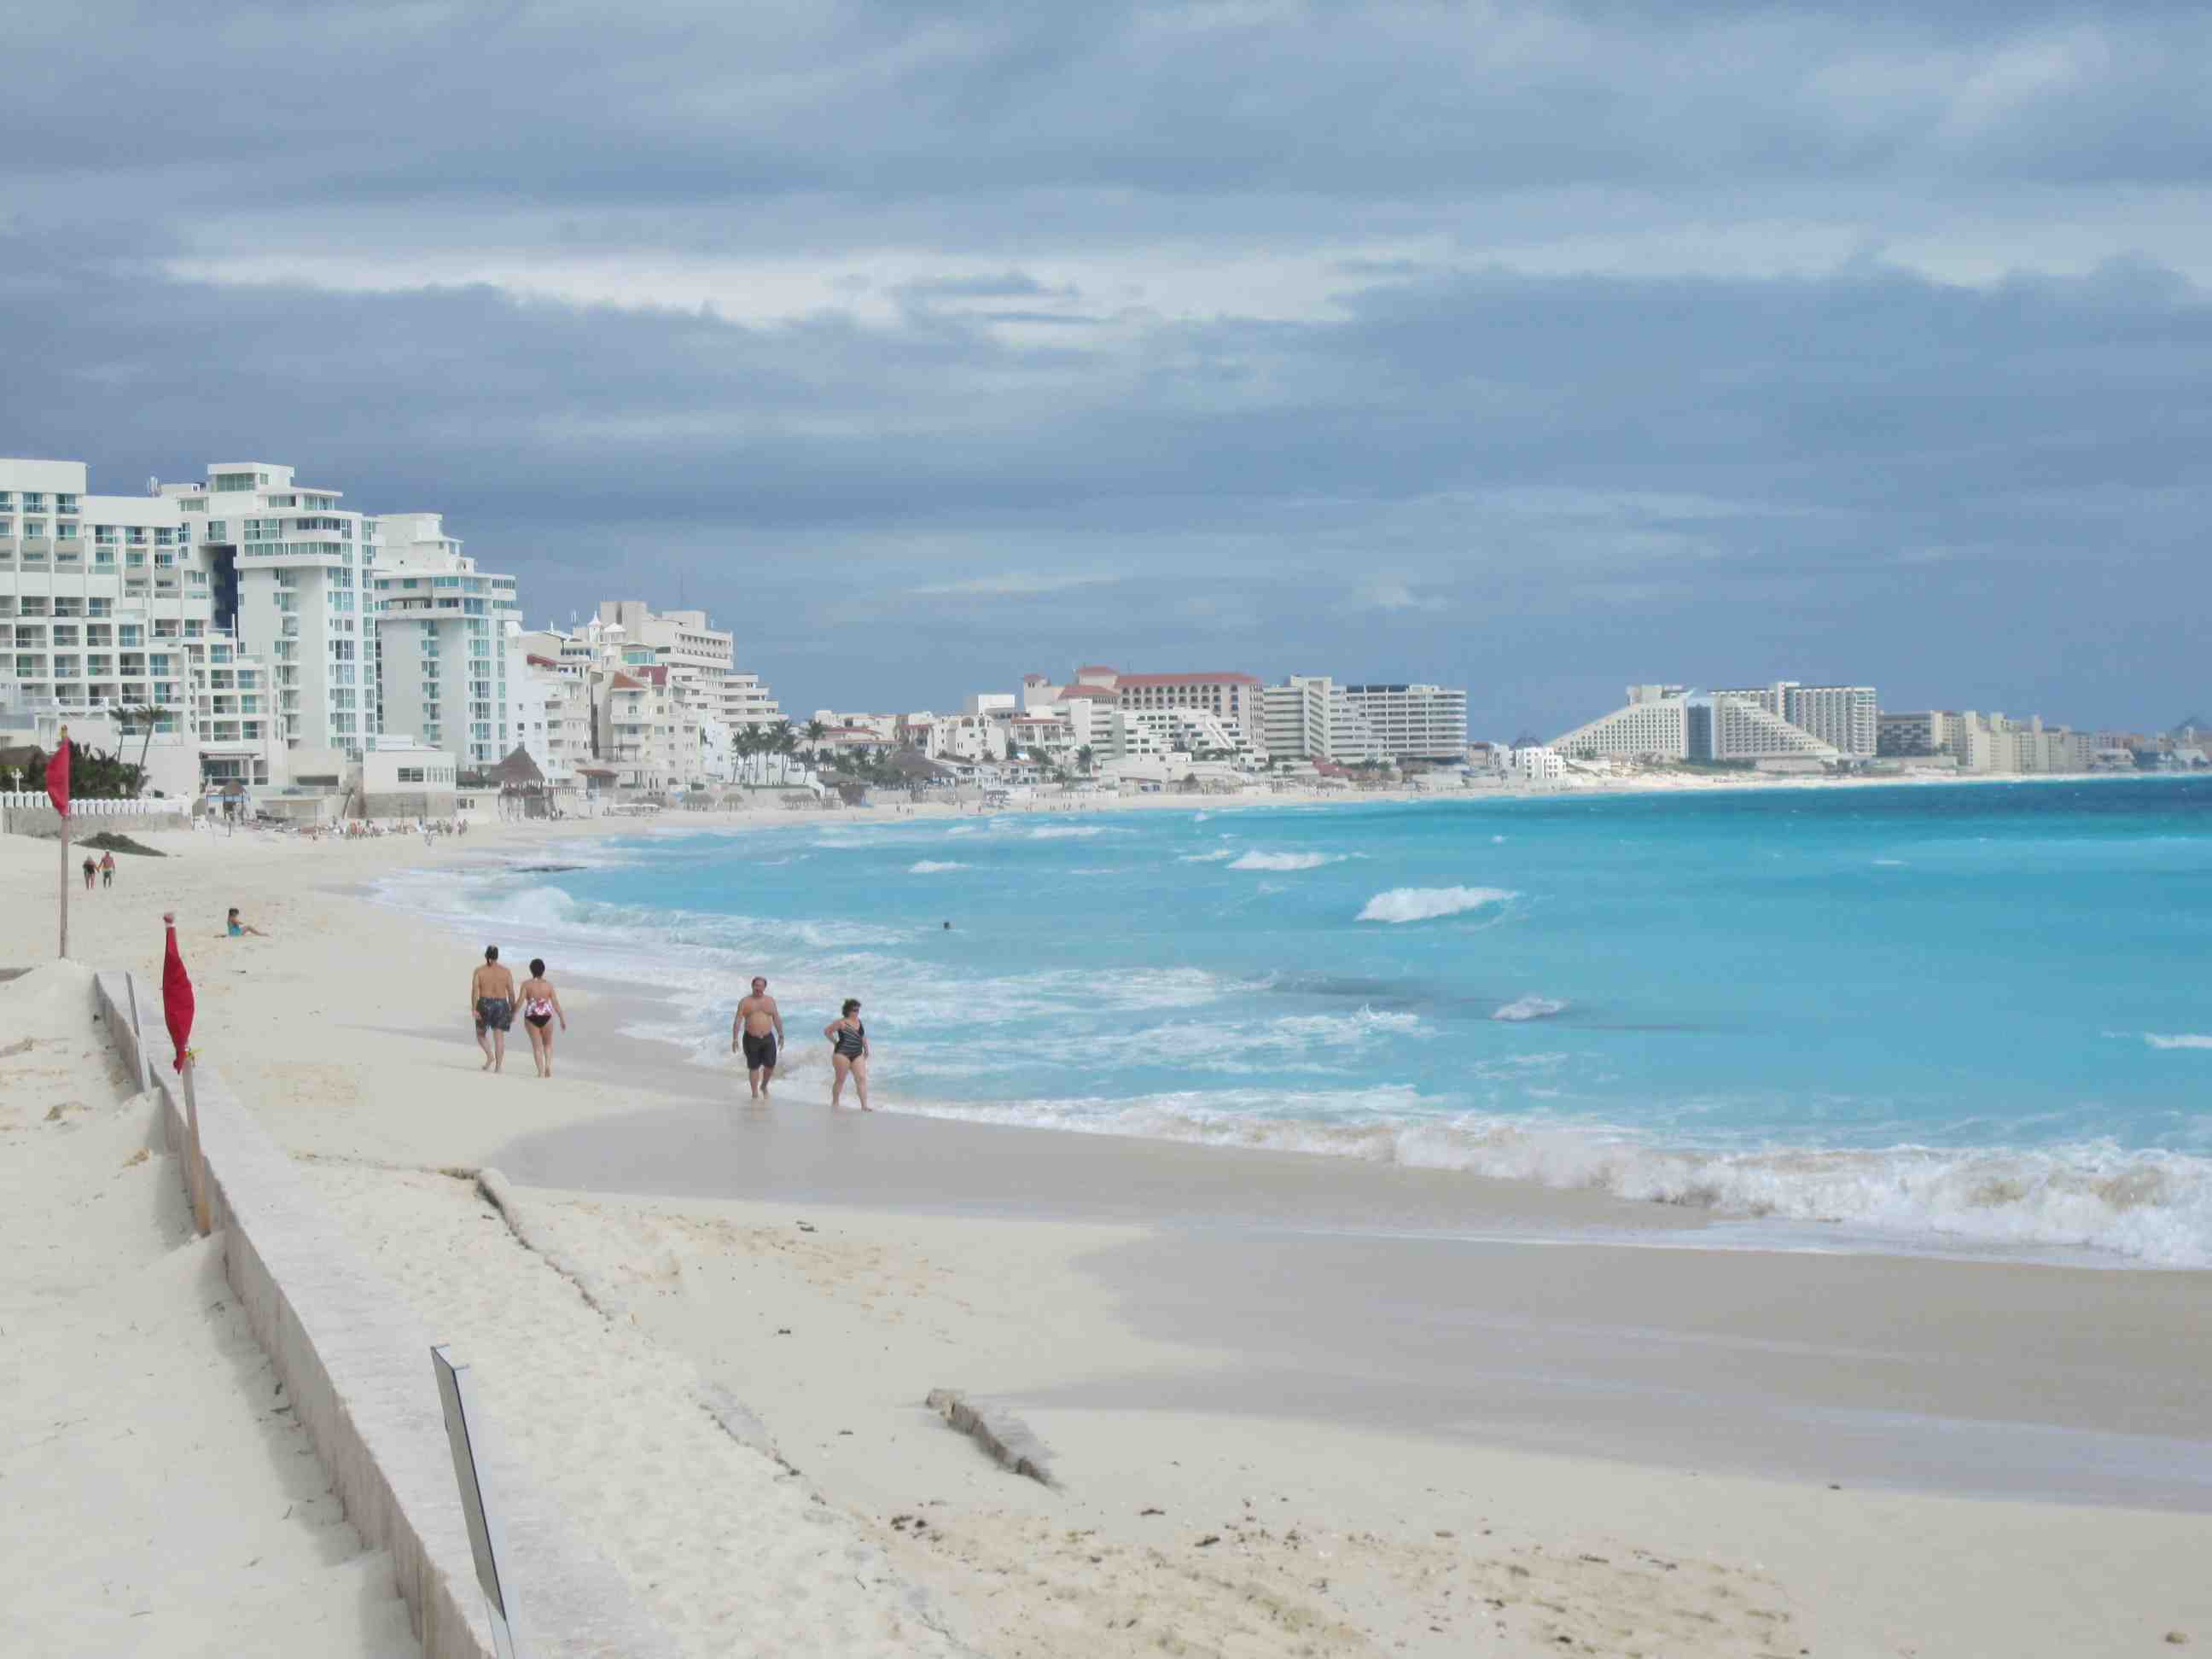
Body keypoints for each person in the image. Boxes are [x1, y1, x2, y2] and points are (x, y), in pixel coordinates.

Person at [731, 976, 785, 1100]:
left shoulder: (770, 1001)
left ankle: (764, 1086)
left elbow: (776, 1017)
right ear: (752, 986)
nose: (759, 988)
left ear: (765, 987)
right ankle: (755, 1093)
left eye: (761, 986)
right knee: (753, 1066)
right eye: (756, 985)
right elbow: (738, 1020)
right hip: (751, 1038)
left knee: (770, 1065)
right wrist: (735, 1039)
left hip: (768, 1037)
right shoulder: (745, 1002)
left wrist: (781, 1034)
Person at [517, 958, 567, 1080]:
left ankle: (540, 1072)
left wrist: (513, 1013)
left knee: (537, 1047)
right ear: (543, 971)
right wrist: (561, 1018)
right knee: (548, 1044)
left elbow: (520, 1002)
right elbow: (555, 1003)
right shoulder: (548, 985)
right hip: (547, 1015)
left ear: (531, 970)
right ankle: (548, 1066)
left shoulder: (526, 984)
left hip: (531, 1015)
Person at [470, 945, 517, 1074]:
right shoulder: (506, 972)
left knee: (480, 1034)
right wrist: (513, 1011)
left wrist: (474, 1008)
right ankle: (498, 1067)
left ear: (487, 956)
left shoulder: (479, 971)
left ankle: (490, 1056)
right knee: (499, 1038)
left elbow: (475, 991)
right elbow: (512, 994)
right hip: (502, 1004)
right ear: (497, 956)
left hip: (485, 1003)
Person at [823, 998, 870, 1111]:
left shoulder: (859, 1022)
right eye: (854, 1010)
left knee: (861, 1078)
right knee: (840, 1080)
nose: (857, 1013)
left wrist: (867, 1050)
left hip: (857, 1053)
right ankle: (835, 1102)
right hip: (842, 1053)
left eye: (858, 1010)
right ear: (848, 1010)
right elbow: (827, 1031)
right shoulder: (841, 1022)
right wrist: (835, 1042)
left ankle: (864, 1106)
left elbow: (862, 1037)